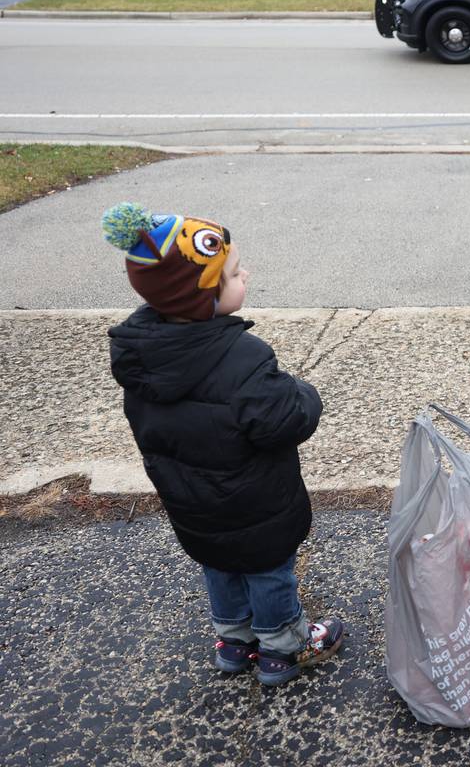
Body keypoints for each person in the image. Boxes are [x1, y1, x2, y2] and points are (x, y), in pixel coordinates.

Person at [102, 202, 344, 688]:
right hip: (254, 500)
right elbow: (284, 421)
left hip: (190, 499)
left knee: (220, 566)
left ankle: (234, 644)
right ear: (202, 296)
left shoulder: (139, 355)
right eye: (233, 274)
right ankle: (283, 648)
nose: (244, 274)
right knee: (268, 570)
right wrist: (303, 393)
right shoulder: (242, 357)